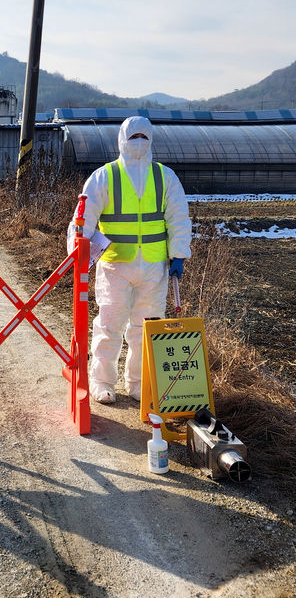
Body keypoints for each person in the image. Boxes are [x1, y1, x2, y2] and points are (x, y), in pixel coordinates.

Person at [68, 115, 192, 405]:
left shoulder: (165, 176)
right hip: (115, 264)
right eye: (133, 136)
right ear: (122, 139)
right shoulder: (104, 176)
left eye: (143, 137)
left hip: (154, 266)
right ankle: (101, 381)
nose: (138, 142)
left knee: (146, 327)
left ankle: (138, 383)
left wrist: (179, 254)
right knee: (109, 324)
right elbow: (83, 219)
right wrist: (77, 254)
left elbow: (178, 218)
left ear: (151, 140)